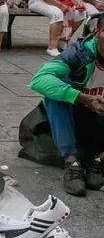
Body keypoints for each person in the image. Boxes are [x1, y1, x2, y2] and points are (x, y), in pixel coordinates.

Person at [29, 24, 104, 197]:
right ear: (96, 33)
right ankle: (71, 162)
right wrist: (81, 97)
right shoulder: (79, 54)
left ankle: (99, 161)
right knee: (58, 87)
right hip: (74, 118)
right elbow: (39, 80)